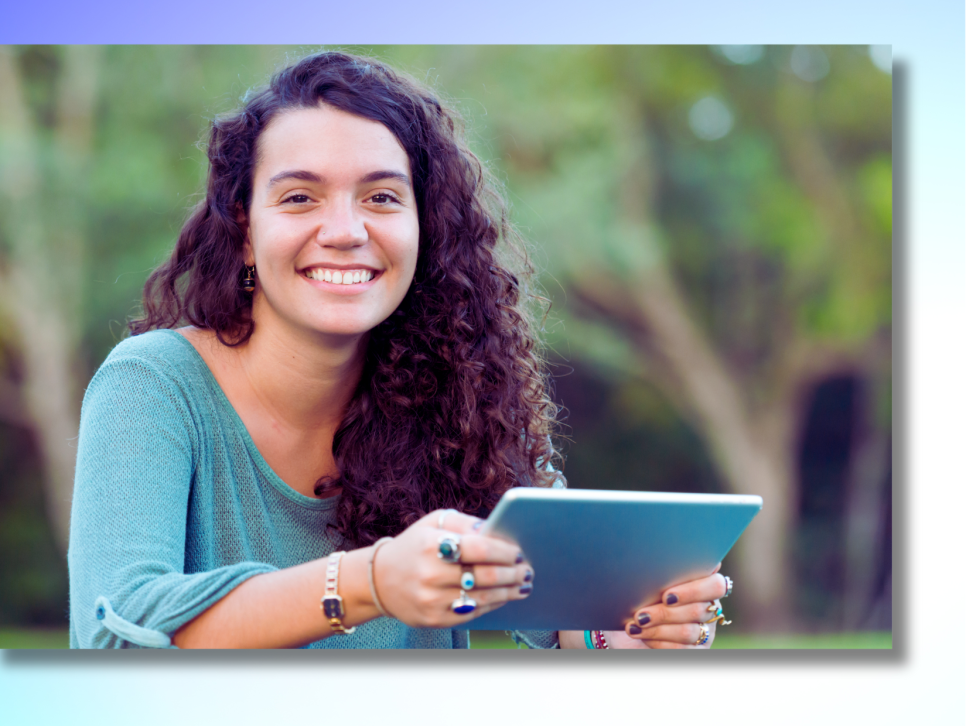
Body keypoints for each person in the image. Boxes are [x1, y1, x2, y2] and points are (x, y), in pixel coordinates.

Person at [68, 51, 731, 649]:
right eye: (300, 197)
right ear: (244, 228)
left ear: (425, 230)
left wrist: (638, 629)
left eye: (382, 197)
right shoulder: (152, 385)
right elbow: (117, 632)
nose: (346, 231)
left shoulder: (456, 400)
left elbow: (569, 618)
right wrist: (370, 581)